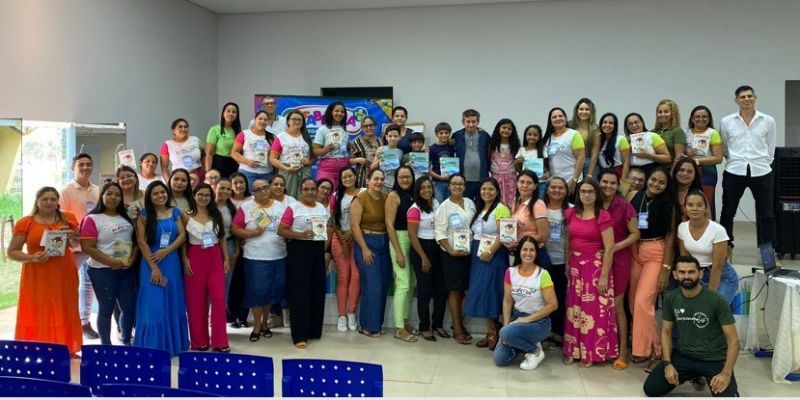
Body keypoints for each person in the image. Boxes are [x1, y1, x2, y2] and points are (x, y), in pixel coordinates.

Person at [642, 256, 740, 397]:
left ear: (700, 274)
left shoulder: (717, 300)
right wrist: (667, 363)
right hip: (683, 356)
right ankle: (692, 375)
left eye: (691, 272)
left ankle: (705, 376)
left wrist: (726, 373)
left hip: (713, 359)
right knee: (651, 389)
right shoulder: (671, 298)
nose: (687, 276)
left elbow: (733, 340)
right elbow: (666, 332)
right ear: (675, 275)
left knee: (728, 397)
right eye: (682, 272)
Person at [9, 187, 82, 354]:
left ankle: (66, 350)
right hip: (36, 276)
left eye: (53, 199)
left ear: (58, 202)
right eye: (45, 199)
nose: (49, 202)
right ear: (37, 202)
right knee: (37, 311)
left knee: (65, 309)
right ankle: (36, 350)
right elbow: (12, 252)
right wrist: (31, 258)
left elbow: (79, 245)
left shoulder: (69, 219)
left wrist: (73, 238)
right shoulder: (25, 223)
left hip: (63, 274)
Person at [563, 179, 618, 367]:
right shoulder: (572, 213)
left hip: (595, 267)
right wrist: (567, 264)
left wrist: (604, 276)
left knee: (593, 312)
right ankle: (573, 350)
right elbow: (568, 241)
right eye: (583, 191)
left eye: (590, 192)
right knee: (574, 309)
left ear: (597, 194)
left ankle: (591, 353)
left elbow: (609, 248)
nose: (586, 195)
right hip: (575, 266)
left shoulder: (602, 216)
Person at [628, 167, 678, 372]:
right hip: (634, 250)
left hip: (656, 252)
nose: (656, 184)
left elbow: (670, 238)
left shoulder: (669, 205)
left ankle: (658, 352)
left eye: (661, 182)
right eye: (654, 180)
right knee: (634, 303)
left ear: (666, 186)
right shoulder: (634, 196)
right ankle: (644, 348)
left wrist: (666, 268)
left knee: (643, 301)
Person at [134, 181, 190, 356]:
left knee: (173, 302)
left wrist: (167, 251)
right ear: (149, 197)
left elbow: (182, 235)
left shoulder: (175, 212)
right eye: (156, 193)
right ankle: (153, 348)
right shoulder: (143, 216)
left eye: (163, 192)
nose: (160, 196)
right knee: (154, 305)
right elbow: (141, 242)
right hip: (151, 262)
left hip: (171, 262)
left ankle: (174, 345)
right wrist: (154, 268)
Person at [719, 85, 777, 253]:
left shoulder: (768, 120)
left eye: (750, 96)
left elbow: (770, 146)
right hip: (734, 170)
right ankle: (726, 248)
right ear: (736, 100)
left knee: (767, 213)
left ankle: (769, 252)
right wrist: (733, 160)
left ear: (755, 98)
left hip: (762, 171)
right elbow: (724, 147)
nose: (747, 99)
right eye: (743, 97)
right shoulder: (726, 121)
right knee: (728, 211)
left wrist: (765, 162)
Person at [79, 182, 137, 346]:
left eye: (117, 195)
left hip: (125, 269)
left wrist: (132, 258)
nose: (113, 197)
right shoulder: (92, 219)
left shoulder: (126, 217)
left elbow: (136, 241)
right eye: (109, 194)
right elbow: (87, 247)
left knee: (129, 307)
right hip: (102, 270)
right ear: (102, 196)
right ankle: (106, 346)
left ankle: (126, 341)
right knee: (106, 308)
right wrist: (110, 262)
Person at [231, 178, 287, 342]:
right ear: (253, 192)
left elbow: (287, 227)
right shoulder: (246, 207)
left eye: (265, 187)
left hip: (278, 255)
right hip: (255, 257)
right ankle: (256, 325)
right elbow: (235, 228)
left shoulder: (281, 206)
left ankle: (264, 323)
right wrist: (251, 234)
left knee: (270, 292)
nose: (263, 191)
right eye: (258, 189)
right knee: (257, 292)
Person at [278, 178, 330, 349]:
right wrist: (300, 235)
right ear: (301, 191)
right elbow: (281, 230)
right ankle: (299, 335)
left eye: (313, 189)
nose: (310, 192)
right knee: (300, 293)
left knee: (317, 290)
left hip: (317, 250)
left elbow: (327, 228)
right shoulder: (293, 208)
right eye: (306, 189)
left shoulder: (321, 207)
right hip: (299, 251)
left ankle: (314, 330)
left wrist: (324, 247)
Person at [493, 236, 558, 370]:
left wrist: (526, 320)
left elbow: (553, 305)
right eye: (525, 249)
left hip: (539, 322)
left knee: (506, 333)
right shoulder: (510, 272)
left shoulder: (543, 274)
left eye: (531, 250)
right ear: (519, 251)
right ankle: (526, 343)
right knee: (500, 359)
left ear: (536, 253)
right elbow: (507, 301)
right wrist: (506, 326)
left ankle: (535, 351)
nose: (528, 253)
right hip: (517, 319)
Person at [598, 170, 640, 370]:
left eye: (612, 183)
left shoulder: (624, 206)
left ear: (618, 185)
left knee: (617, 306)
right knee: (597, 305)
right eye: (604, 181)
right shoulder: (593, 203)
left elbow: (635, 234)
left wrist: (615, 247)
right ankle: (600, 347)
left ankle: (622, 352)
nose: (608, 186)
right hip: (595, 261)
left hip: (619, 260)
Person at [181, 183, 230, 352]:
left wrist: (226, 258)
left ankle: (220, 341)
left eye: (207, 195)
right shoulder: (186, 216)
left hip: (214, 257)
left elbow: (222, 238)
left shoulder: (216, 214)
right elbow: (182, 240)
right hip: (195, 257)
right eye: (200, 194)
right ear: (194, 195)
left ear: (212, 197)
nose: (203, 198)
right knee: (196, 301)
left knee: (218, 298)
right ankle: (199, 341)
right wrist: (185, 258)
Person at [464, 178, 511, 351]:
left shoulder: (501, 209)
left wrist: (490, 251)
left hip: (494, 255)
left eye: (491, 189)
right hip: (478, 254)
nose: (487, 192)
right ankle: (491, 329)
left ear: (497, 191)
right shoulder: (479, 208)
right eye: (484, 189)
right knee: (481, 291)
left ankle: (494, 331)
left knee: (491, 290)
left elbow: (504, 234)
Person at [59, 153, 100, 339]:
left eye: (88, 164)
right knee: (70, 286)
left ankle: (84, 322)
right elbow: (60, 219)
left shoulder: (97, 190)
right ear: (73, 168)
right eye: (81, 164)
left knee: (88, 285)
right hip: (74, 247)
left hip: (93, 246)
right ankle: (68, 321)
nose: (85, 167)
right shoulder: (65, 191)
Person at [434, 174, 477, 344]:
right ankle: (458, 329)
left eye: (461, 184)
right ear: (449, 186)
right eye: (454, 184)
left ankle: (457, 322)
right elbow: (439, 233)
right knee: (454, 290)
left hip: (469, 252)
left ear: (465, 186)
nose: (457, 186)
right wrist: (451, 251)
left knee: (465, 290)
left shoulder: (470, 203)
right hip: (451, 254)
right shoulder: (444, 207)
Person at [350, 169, 392, 338]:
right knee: (373, 285)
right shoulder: (360, 199)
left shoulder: (386, 197)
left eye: (382, 179)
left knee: (383, 283)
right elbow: (354, 226)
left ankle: (377, 324)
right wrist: (364, 248)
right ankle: (368, 326)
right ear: (367, 181)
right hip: (367, 243)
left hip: (384, 243)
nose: (379, 182)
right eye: (375, 179)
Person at [677, 191, 739, 305]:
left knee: (712, 309)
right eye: (690, 205)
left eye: (699, 205)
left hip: (722, 277)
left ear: (706, 208)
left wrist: (709, 297)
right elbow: (685, 259)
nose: (694, 209)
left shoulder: (718, 230)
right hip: (697, 274)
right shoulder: (682, 228)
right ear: (685, 209)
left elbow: (717, 267)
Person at [407, 176, 446, 341]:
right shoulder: (415, 209)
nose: (427, 190)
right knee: (424, 290)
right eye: (423, 188)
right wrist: (423, 257)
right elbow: (412, 235)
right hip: (421, 249)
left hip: (437, 247)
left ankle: (438, 324)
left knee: (441, 289)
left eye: (429, 187)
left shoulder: (436, 204)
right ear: (417, 190)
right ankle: (424, 326)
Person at [385, 166, 419, 342]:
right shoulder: (393, 195)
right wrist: (398, 251)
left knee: (411, 283)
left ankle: (405, 321)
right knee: (403, 283)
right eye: (401, 177)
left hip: (414, 239)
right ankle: (398, 328)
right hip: (399, 239)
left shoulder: (414, 195)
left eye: (408, 177)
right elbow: (389, 225)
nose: (405, 180)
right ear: (396, 179)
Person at [331, 168, 361, 332]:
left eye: (350, 176)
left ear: (355, 177)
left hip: (358, 239)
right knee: (343, 277)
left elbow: (366, 216)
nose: (348, 179)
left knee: (356, 277)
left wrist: (353, 233)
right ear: (341, 180)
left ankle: (351, 312)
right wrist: (342, 239)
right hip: (340, 238)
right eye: (344, 177)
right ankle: (341, 315)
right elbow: (333, 220)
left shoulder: (363, 193)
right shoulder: (336, 196)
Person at [542, 176, 571, 347]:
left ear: (567, 191)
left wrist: (568, 263)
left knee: (560, 298)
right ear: (547, 189)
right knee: (543, 299)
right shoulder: (540, 207)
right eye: (553, 187)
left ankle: (558, 333)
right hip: (543, 260)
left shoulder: (572, 210)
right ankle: (544, 333)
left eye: (561, 187)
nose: (556, 190)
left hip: (562, 261)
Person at [685, 106, 724, 220]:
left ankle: (709, 228)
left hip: (707, 172)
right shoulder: (685, 133)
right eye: (697, 116)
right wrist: (687, 155)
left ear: (709, 118)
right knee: (688, 200)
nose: (701, 119)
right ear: (692, 119)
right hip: (688, 171)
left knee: (706, 202)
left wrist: (696, 161)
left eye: (704, 117)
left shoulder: (713, 133)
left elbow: (718, 158)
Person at [507, 171, 551, 267]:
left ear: (535, 186)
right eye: (521, 182)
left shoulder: (538, 205)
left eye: (529, 183)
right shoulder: (515, 202)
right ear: (517, 183)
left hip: (535, 255)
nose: (524, 185)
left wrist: (519, 243)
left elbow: (544, 236)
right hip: (520, 253)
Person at [269, 109, 315, 199]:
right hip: (287, 171)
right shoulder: (281, 137)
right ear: (288, 121)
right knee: (287, 197)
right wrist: (286, 169)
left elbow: (314, 157)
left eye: (299, 119)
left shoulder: (306, 136)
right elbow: (272, 159)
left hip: (304, 171)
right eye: (294, 119)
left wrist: (309, 162)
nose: (297, 121)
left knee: (305, 197)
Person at [214, 177, 240, 328]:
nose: (224, 191)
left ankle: (222, 316)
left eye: (228, 189)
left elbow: (235, 231)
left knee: (226, 284)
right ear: (215, 188)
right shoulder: (207, 206)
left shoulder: (231, 208)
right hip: (211, 247)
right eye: (222, 188)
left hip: (229, 246)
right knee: (212, 284)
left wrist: (236, 250)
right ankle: (211, 315)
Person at [226, 172, 251, 328]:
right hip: (231, 246)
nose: (239, 185)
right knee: (231, 283)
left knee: (245, 282)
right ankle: (231, 316)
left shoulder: (252, 200)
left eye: (242, 182)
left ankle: (243, 316)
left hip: (249, 246)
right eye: (235, 183)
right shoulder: (226, 201)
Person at [543, 107, 585, 194]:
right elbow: (547, 159)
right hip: (555, 184)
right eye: (554, 117)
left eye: (560, 116)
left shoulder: (574, 134)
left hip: (572, 181)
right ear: (550, 121)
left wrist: (574, 179)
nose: (558, 118)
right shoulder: (548, 138)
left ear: (565, 119)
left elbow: (581, 158)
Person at [453, 109, 491, 202]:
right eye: (468, 121)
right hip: (463, 179)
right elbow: (445, 147)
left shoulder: (484, 135)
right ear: (463, 122)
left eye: (474, 121)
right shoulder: (457, 135)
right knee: (465, 204)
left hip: (481, 178)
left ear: (478, 122)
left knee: (481, 204)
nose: (471, 124)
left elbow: (492, 151)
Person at [231, 110, 275, 189]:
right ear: (254, 120)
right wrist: (247, 161)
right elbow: (234, 153)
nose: (262, 121)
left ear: (268, 122)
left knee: (265, 195)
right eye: (260, 119)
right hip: (247, 173)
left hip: (267, 174)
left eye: (265, 120)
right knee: (248, 195)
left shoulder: (272, 137)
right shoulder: (244, 134)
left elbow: (275, 156)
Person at [313, 101, 352, 189]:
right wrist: (327, 149)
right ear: (331, 112)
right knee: (326, 193)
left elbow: (347, 150)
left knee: (341, 195)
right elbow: (315, 151)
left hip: (344, 168)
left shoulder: (344, 130)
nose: (340, 113)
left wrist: (351, 148)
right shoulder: (322, 129)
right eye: (337, 111)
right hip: (327, 168)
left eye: (342, 112)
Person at [160, 118, 204, 182]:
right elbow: (164, 167)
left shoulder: (196, 140)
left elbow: (204, 157)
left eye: (186, 127)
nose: (183, 129)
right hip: (179, 179)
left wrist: (206, 171)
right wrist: (169, 182)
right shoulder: (167, 145)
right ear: (173, 130)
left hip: (199, 176)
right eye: (180, 127)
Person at [205, 102, 242, 179]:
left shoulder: (238, 132)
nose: (231, 113)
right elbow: (209, 154)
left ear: (237, 115)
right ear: (223, 113)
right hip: (219, 163)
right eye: (228, 111)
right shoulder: (214, 129)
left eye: (234, 112)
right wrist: (208, 172)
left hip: (234, 164)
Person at [488, 118, 520, 206]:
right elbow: (488, 159)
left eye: (509, 129)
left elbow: (517, 162)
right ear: (498, 129)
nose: (506, 130)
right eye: (504, 127)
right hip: (496, 176)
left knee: (512, 199)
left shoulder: (515, 145)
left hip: (511, 177)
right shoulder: (492, 144)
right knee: (496, 198)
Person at [569, 98, 601, 180]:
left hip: (588, 163)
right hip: (572, 162)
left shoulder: (595, 128)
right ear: (577, 111)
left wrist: (589, 174)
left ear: (591, 112)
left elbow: (595, 154)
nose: (584, 112)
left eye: (587, 109)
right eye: (581, 109)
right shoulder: (569, 126)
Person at [593, 113, 630, 179]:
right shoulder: (598, 140)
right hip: (602, 173)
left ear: (615, 126)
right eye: (605, 122)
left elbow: (626, 162)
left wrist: (623, 180)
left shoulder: (621, 139)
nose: (607, 125)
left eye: (611, 123)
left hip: (618, 172)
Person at [429, 122, 457, 203]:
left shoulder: (452, 146)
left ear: (450, 134)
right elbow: (428, 169)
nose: (444, 135)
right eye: (441, 133)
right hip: (437, 183)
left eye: (446, 133)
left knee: (449, 204)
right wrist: (441, 178)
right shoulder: (432, 148)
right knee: (438, 204)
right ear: (436, 134)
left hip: (450, 183)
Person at [349, 115, 380, 188]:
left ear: (375, 126)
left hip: (378, 178)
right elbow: (348, 161)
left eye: (371, 125)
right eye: (365, 126)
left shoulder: (381, 141)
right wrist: (357, 160)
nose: (369, 128)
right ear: (362, 128)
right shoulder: (356, 142)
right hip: (361, 178)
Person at [653, 99, 687, 164]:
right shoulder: (654, 132)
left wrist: (672, 170)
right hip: (652, 167)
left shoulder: (677, 131)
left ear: (673, 114)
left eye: (666, 112)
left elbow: (679, 157)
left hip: (669, 168)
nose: (662, 114)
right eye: (660, 112)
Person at [372, 124, 404, 192]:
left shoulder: (400, 152)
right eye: (390, 136)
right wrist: (379, 159)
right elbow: (372, 168)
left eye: (395, 136)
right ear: (386, 137)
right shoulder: (380, 149)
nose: (392, 138)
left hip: (395, 185)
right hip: (381, 184)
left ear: (399, 137)